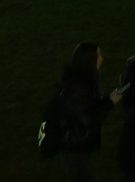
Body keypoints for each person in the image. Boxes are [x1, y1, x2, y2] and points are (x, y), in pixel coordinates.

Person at [47, 42, 119, 181]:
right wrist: (110, 103)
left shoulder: (82, 81)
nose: (102, 58)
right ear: (89, 60)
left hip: (75, 145)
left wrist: (108, 99)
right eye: (98, 55)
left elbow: (88, 107)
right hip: (74, 148)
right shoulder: (80, 86)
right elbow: (88, 119)